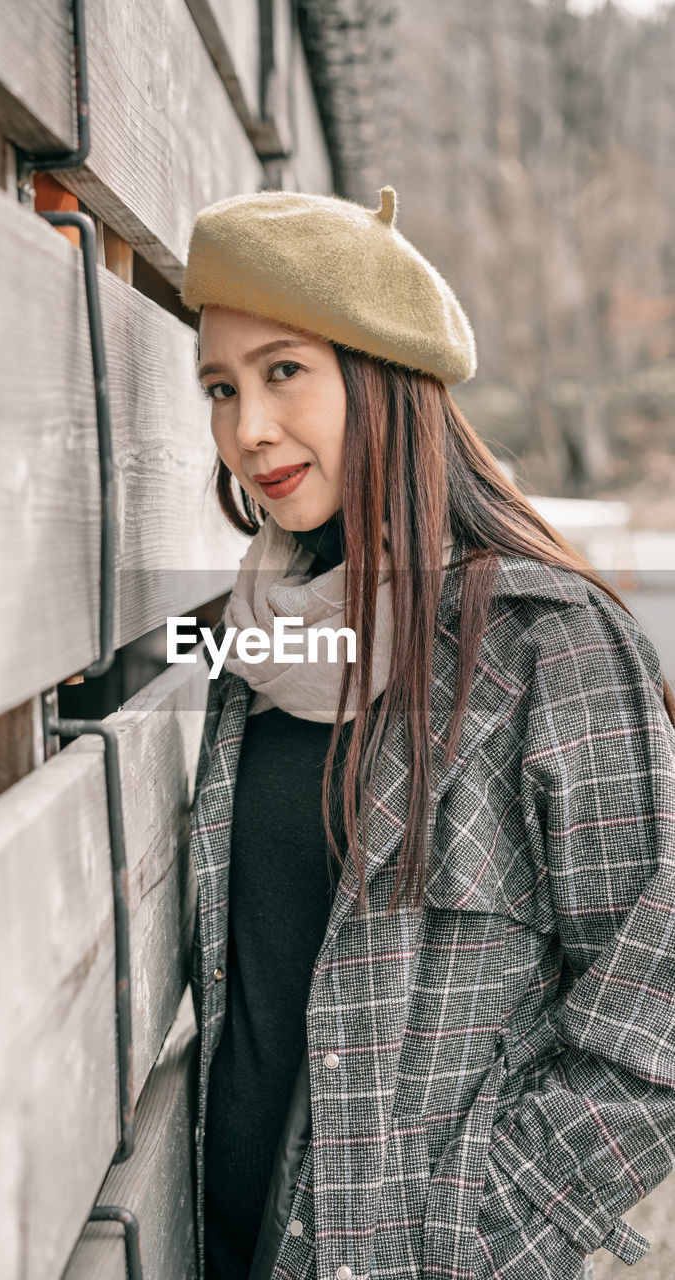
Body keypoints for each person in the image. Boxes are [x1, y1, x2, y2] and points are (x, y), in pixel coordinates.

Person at [178, 184, 675, 1280]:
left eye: (283, 371)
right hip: (220, 1240)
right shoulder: (245, 647)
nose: (246, 427)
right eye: (220, 386)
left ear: (382, 374)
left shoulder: (548, 643)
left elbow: (660, 997)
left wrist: (485, 1221)